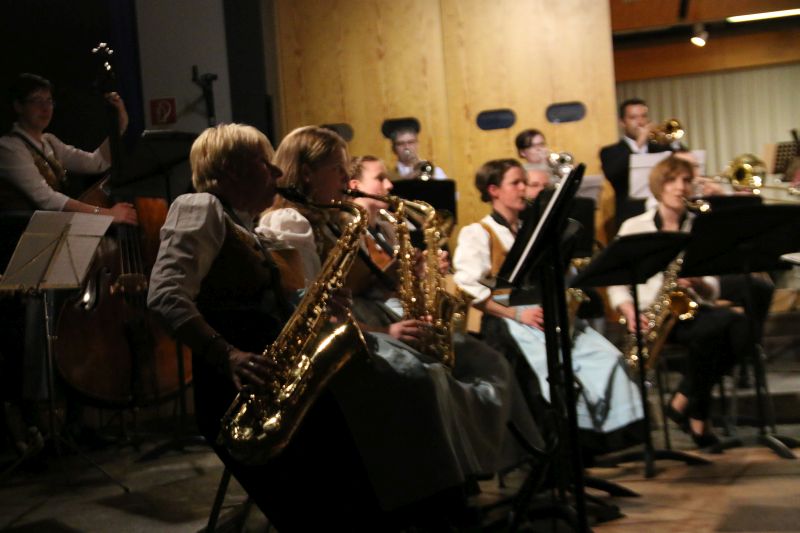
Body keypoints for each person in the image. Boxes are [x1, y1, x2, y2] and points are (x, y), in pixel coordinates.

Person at [257, 126, 531, 528]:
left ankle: (485, 472)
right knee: (425, 377)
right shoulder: (289, 221)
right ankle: (430, 501)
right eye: (337, 169)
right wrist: (387, 333)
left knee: (482, 362)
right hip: (341, 338)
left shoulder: (335, 218)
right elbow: (307, 310)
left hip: (365, 324)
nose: (345, 179)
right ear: (308, 172)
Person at [147, 123, 396, 531]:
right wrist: (227, 354)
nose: (278, 173)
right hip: (238, 389)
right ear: (231, 169)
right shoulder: (200, 207)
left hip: (274, 383)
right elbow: (165, 296)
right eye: (265, 163)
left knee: (347, 484)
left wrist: (314, 302)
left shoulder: (246, 225)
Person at [452, 158, 644, 457]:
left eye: (524, 182)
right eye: (516, 183)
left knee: (607, 357)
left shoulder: (532, 230)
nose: (523, 189)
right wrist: (517, 313)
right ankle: (564, 450)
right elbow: (467, 287)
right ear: (493, 190)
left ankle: (602, 439)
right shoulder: (478, 232)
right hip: (508, 320)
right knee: (557, 374)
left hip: (544, 315)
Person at [607, 155, 755, 447]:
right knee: (716, 332)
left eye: (685, 181)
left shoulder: (697, 226)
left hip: (692, 309)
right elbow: (615, 281)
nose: (679, 187)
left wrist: (700, 282)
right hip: (652, 315)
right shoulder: (635, 227)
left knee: (740, 327)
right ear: (658, 186)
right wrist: (627, 309)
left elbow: (713, 285)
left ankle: (685, 399)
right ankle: (697, 418)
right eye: (671, 181)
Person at [0, 73, 137, 223]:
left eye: (49, 101)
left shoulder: (49, 141)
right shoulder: (9, 147)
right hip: (23, 230)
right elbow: (46, 199)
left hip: (51, 225)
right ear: (19, 106)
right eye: (37, 101)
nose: (45, 108)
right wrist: (107, 214)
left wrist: (119, 126)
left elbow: (95, 163)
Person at [599, 98, 671, 228]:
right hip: (630, 215)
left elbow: (681, 162)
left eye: (643, 116)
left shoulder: (660, 147)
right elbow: (613, 173)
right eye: (633, 118)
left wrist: (670, 140)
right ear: (622, 122)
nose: (640, 122)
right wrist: (639, 144)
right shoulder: (610, 151)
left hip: (662, 214)